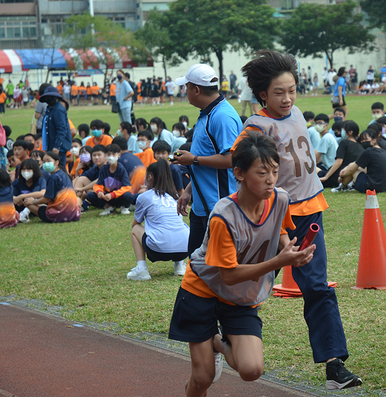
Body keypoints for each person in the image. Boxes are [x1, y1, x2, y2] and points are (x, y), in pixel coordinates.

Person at [237, 50, 361, 390]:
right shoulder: (256, 126)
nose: (288, 97)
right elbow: (241, 169)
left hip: (310, 216)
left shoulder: (294, 116)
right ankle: (224, 335)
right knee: (250, 287)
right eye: (279, 92)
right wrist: (272, 226)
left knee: (318, 288)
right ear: (263, 94)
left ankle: (335, 367)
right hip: (275, 221)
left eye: (292, 89)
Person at [168, 132, 314, 396]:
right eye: (262, 173)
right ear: (240, 174)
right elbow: (229, 275)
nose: (271, 180)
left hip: (239, 296)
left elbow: (279, 228)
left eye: (274, 171)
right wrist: (278, 261)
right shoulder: (223, 216)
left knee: (251, 370)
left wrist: (288, 248)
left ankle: (217, 342)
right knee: (203, 378)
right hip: (202, 290)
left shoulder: (279, 198)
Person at [173, 63, 242, 256]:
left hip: (220, 207)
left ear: (196, 89)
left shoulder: (222, 117)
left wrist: (193, 159)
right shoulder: (207, 113)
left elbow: (230, 159)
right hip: (202, 206)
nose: (184, 91)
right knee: (196, 267)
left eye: (186, 87)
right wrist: (189, 190)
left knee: (216, 269)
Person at [128, 160, 189, 281]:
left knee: (135, 230)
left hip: (158, 251)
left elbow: (136, 224)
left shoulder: (144, 196)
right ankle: (180, 266)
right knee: (177, 226)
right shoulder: (174, 196)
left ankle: (142, 270)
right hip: (185, 249)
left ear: (149, 177)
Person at [24, 151, 81, 223]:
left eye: (48, 161)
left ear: (56, 162)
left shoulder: (53, 177)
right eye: (44, 161)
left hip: (59, 215)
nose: (46, 163)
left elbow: (46, 199)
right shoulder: (64, 174)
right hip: (74, 214)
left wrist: (34, 201)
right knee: (40, 204)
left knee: (28, 203)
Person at [334, 128, 386, 193]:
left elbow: (351, 169)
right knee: (355, 166)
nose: (363, 142)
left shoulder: (369, 151)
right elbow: (358, 165)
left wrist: (342, 175)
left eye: (365, 140)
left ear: (374, 140)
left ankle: (342, 186)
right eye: (362, 140)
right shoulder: (383, 151)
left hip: (373, 187)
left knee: (354, 169)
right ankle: (345, 185)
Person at [86, 144, 133, 216]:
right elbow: (99, 184)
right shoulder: (104, 168)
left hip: (119, 196)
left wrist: (113, 194)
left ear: (118, 155)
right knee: (90, 195)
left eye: (113, 154)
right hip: (107, 196)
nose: (111, 157)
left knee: (128, 195)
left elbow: (127, 187)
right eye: (108, 154)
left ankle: (124, 207)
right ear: (105, 156)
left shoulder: (121, 169)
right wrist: (99, 192)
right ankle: (109, 207)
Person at [325, 120, 365, 192]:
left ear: (350, 132)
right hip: (348, 176)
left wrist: (326, 177)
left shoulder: (344, 143)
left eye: (343, 130)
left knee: (316, 170)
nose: (342, 132)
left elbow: (339, 162)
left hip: (338, 176)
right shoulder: (360, 146)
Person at [39, 87, 71, 167]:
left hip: (57, 147)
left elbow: (61, 129)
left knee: (58, 169)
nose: (49, 99)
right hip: (51, 145)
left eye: (51, 97)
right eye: (47, 97)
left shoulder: (58, 110)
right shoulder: (50, 109)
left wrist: (57, 146)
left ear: (56, 97)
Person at [13, 158, 47, 223]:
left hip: (35, 205)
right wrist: (15, 198)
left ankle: (25, 213)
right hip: (20, 206)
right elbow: (7, 193)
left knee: (37, 189)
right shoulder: (17, 182)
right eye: (23, 169)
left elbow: (42, 193)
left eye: (29, 169)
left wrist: (22, 196)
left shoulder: (40, 180)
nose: (26, 171)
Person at [313, 114, 338, 187]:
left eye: (320, 123)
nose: (317, 125)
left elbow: (316, 158)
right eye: (316, 123)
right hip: (328, 166)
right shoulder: (328, 136)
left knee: (309, 168)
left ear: (326, 125)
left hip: (328, 168)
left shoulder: (326, 138)